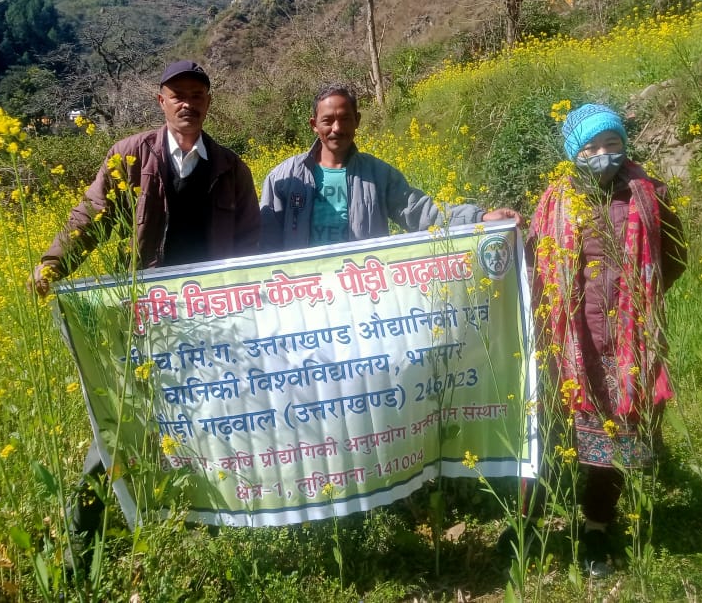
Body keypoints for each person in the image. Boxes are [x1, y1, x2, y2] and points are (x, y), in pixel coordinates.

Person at [29, 59, 261, 573]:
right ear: (161, 101)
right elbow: (89, 216)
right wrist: (53, 263)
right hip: (142, 320)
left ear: (208, 102)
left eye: (197, 94)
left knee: (213, 423)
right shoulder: (130, 155)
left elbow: (250, 249)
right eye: (177, 94)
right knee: (120, 428)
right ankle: (77, 549)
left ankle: (206, 529)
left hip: (209, 323)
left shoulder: (231, 168)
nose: (188, 102)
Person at [527, 103, 687, 577]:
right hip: (577, 345)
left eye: (613, 144)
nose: (603, 154)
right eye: (592, 147)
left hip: (630, 343)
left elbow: (675, 255)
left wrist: (642, 302)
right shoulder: (557, 201)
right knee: (570, 439)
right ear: (574, 152)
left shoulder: (648, 193)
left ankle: (597, 530)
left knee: (619, 440)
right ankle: (534, 526)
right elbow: (537, 267)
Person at [259, 83, 523, 251]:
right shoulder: (284, 178)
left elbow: (422, 214)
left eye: (345, 119)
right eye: (327, 121)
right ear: (314, 125)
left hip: (362, 287)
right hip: (301, 296)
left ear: (357, 121)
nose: (337, 128)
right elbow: (266, 244)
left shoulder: (378, 175)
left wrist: (480, 218)